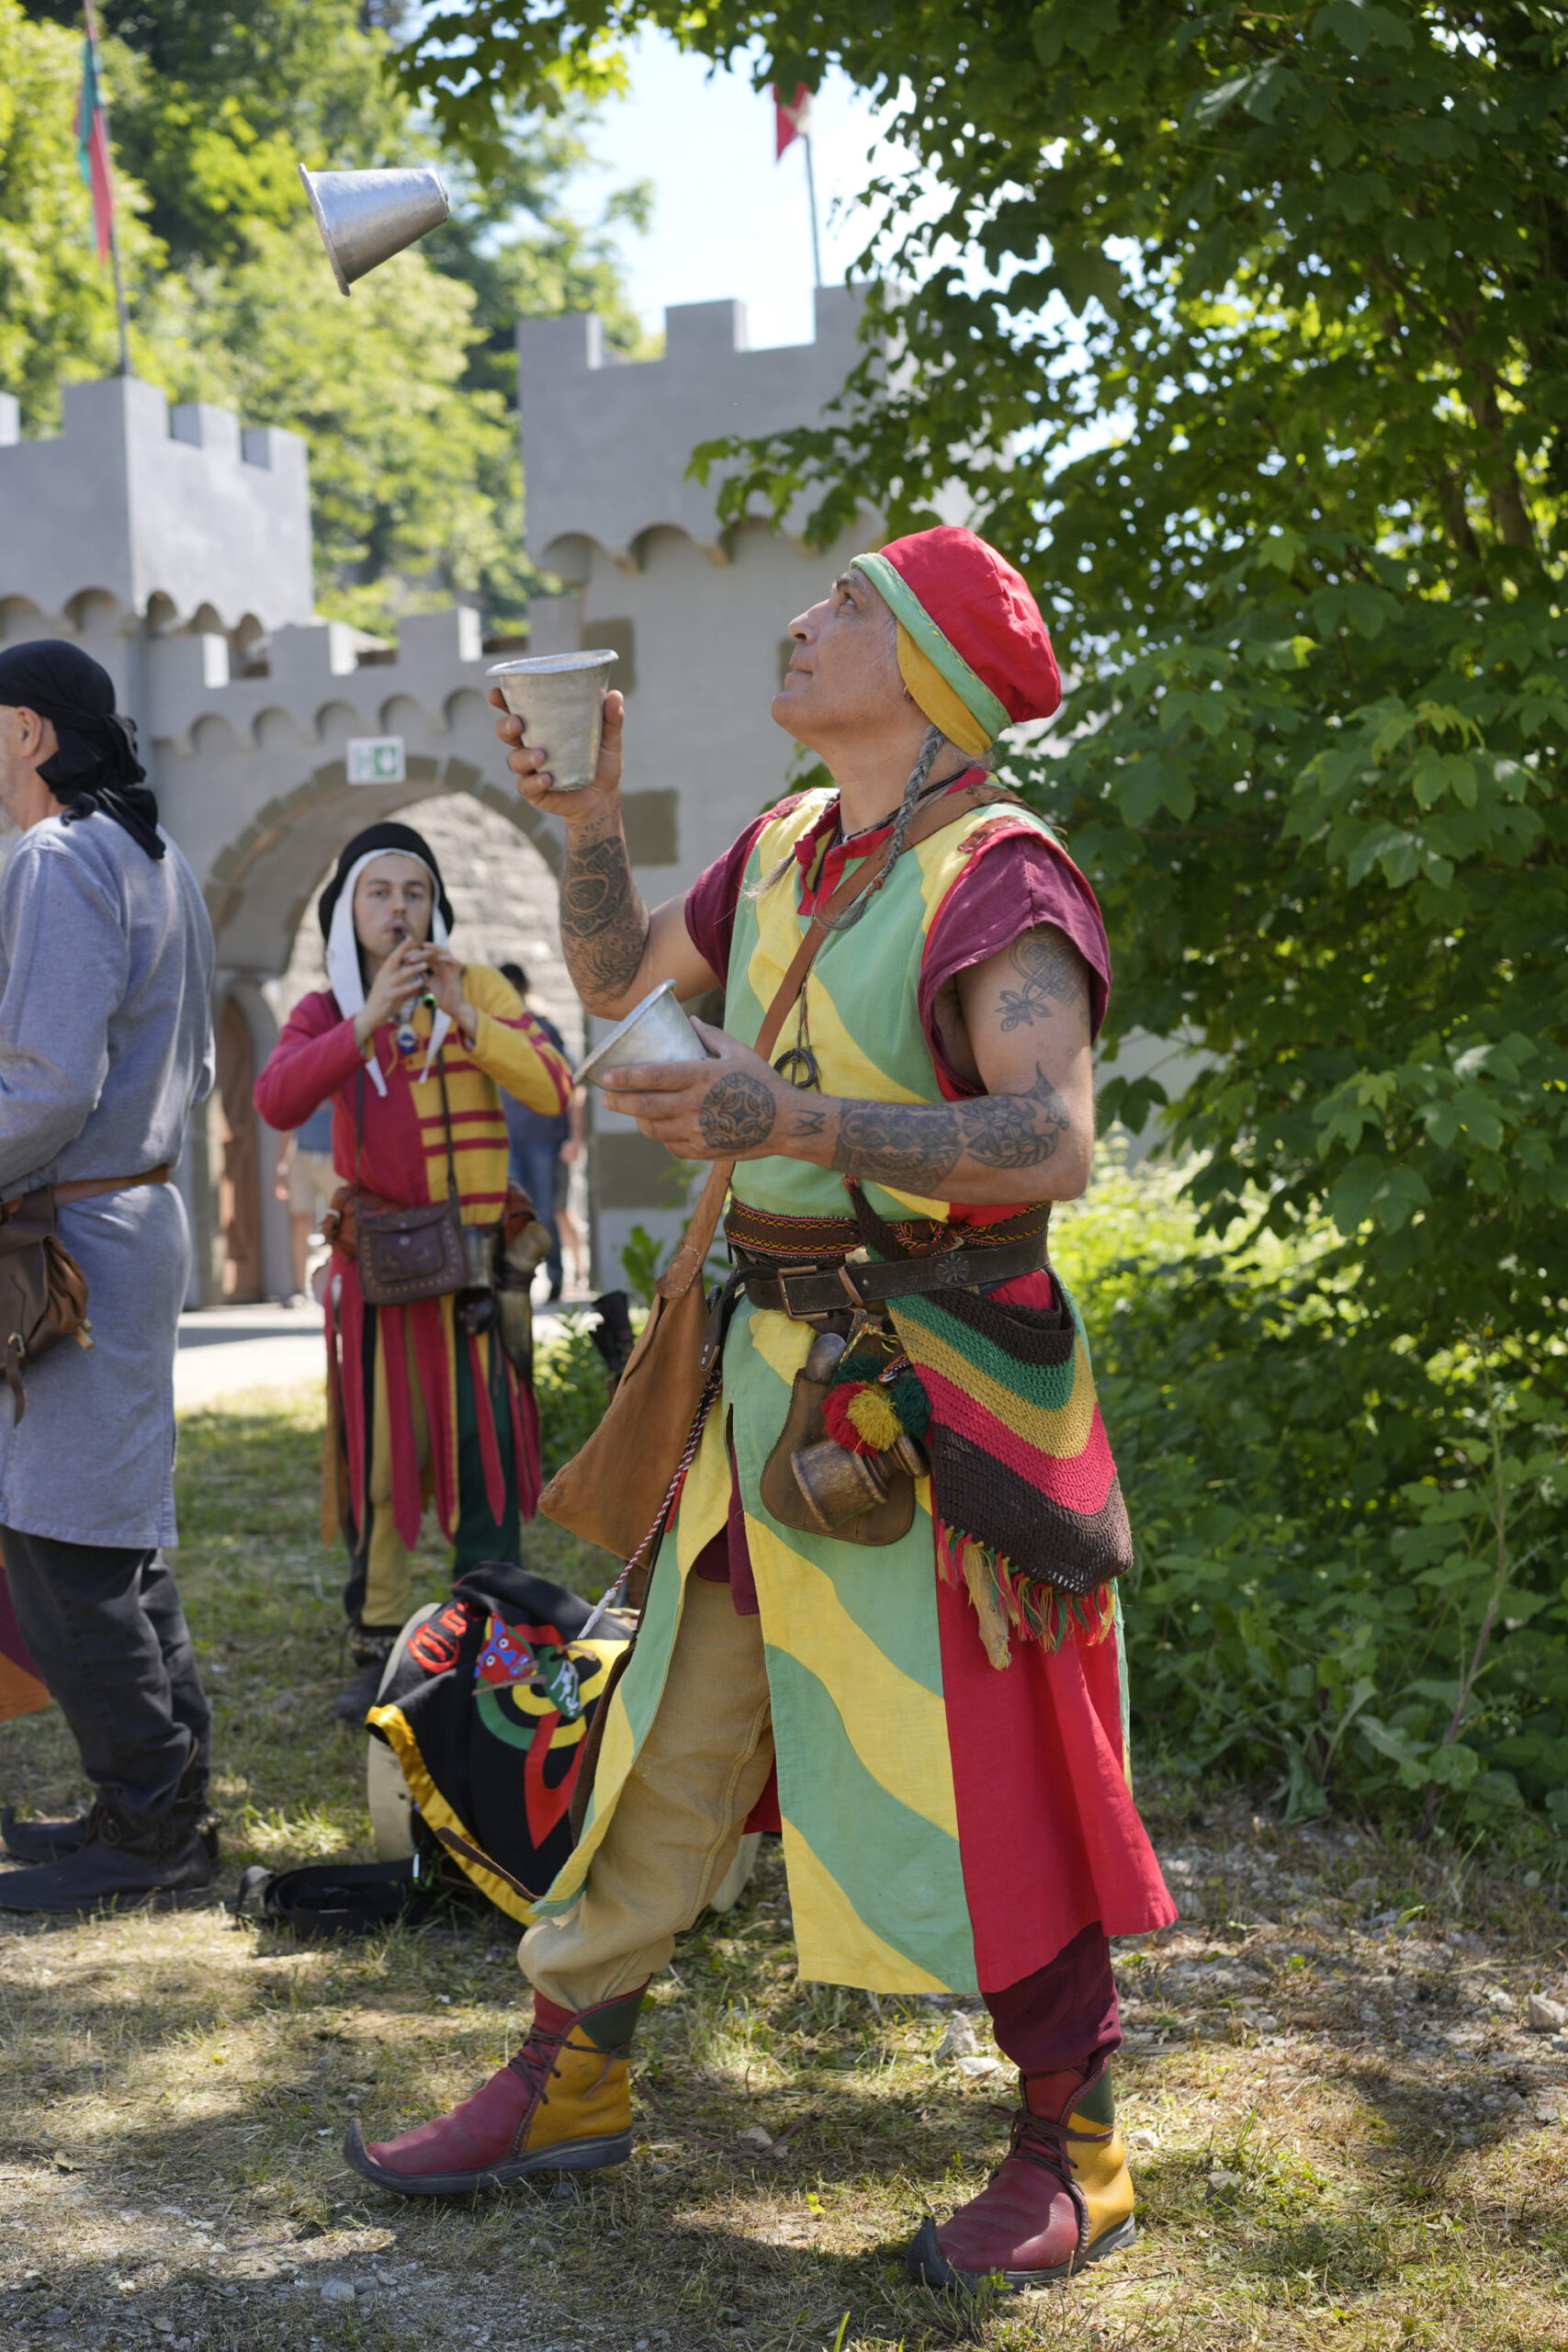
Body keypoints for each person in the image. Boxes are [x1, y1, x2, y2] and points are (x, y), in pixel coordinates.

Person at [347, 528, 1177, 2290]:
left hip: (936, 1397)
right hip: (764, 1383)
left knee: (992, 1755)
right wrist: (586, 813)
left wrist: (786, 1125)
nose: (805, 620)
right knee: (666, 1721)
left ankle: (1076, 2145)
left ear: (931, 671)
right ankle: (570, 2071)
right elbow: (614, 981)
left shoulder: (1001, 877)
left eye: (851, 603)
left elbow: (1050, 1141)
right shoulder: (789, 845)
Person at [254, 822, 574, 1722]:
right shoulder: (325, 1008)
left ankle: (492, 1638)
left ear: (437, 907)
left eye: (416, 892)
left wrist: (467, 1016)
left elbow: (553, 1087)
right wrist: (365, 1021)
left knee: (484, 1452)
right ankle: (382, 1642)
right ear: (347, 910)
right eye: (380, 892)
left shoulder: (480, 989)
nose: (399, 908)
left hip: (478, 1275)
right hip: (383, 1279)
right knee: (381, 1460)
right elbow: (276, 1098)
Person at [0, 639, 218, 1915]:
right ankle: (163, 1807)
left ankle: (149, 1838)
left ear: (29, 732)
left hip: (75, 1231)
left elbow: (44, 1089)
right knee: (113, 1533)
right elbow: (182, 1071)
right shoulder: (156, 853)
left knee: (56, 1536)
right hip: (128, 1214)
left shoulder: (59, 854)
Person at [496, 962, 579, 1303]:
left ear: (525, 990)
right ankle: (519, 1284)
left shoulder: (545, 1030)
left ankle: (556, 1277)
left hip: (545, 1136)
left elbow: (572, 1083)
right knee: (515, 1215)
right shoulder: (490, 1032)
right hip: (509, 1138)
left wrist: (575, 1137)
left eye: (514, 988)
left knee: (545, 1210)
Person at [274, 1101, 335, 1305]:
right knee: (301, 1222)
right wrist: (282, 1165)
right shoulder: (301, 1085)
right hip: (301, 1156)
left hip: (335, 1156)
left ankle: (337, 1282)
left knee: (338, 1222)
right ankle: (301, 1289)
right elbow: (288, 1125)